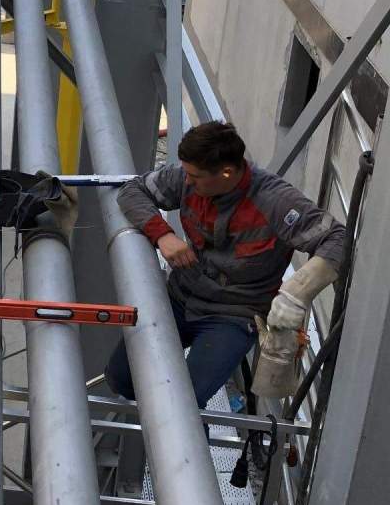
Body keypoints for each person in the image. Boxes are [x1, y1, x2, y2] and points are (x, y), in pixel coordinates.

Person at [105, 121, 345, 414]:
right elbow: (134, 190)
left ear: (227, 173)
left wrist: (296, 294)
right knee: (121, 378)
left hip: (234, 314)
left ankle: (182, 447)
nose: (188, 182)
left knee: (184, 404)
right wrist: (162, 233)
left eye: (196, 177)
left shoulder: (275, 201)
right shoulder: (189, 176)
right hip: (182, 296)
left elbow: (338, 240)